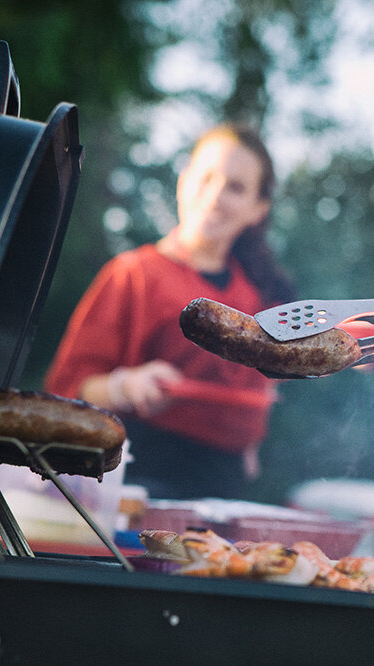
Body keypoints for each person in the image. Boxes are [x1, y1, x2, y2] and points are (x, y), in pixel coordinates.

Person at [44, 123, 296, 500]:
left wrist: (250, 443)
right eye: (206, 178)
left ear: (257, 210)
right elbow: (64, 391)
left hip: (222, 489)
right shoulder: (133, 275)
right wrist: (126, 385)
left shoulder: (259, 298)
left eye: (236, 187)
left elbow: (260, 395)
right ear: (183, 181)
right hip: (131, 478)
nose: (215, 196)